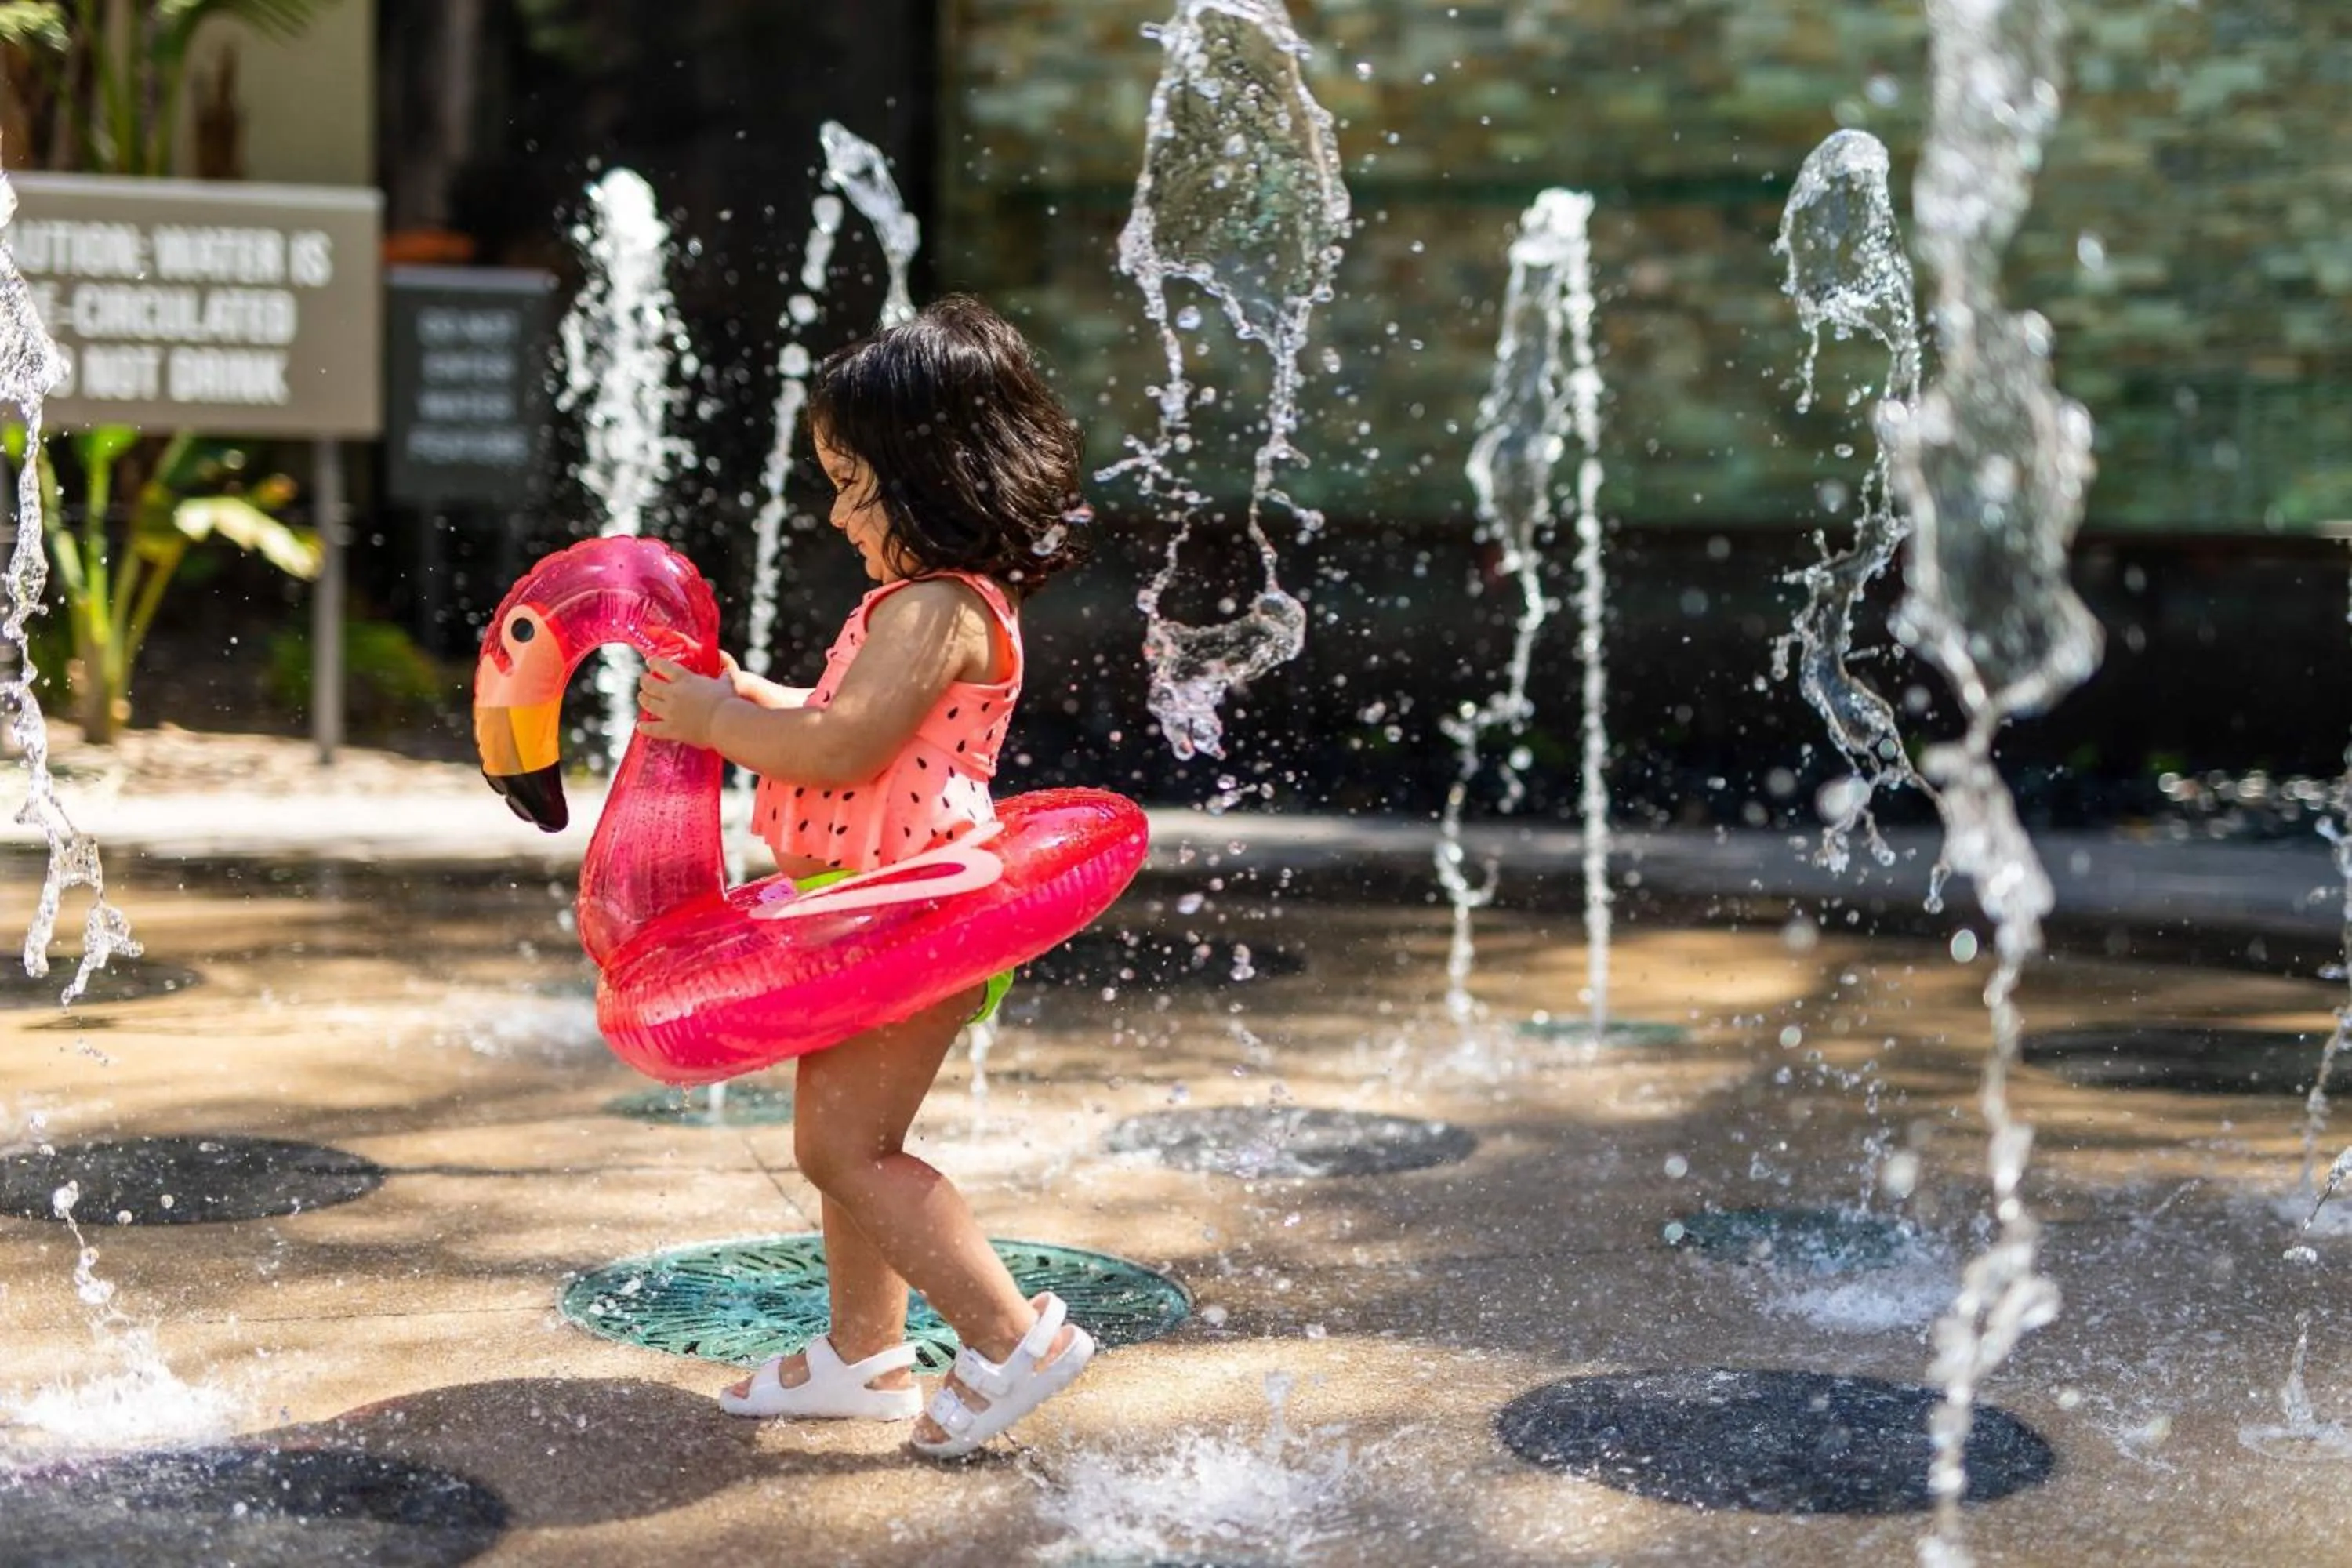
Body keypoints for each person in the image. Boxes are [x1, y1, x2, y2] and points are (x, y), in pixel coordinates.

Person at [635, 295, 1095, 1458]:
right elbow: (836, 715)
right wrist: (748, 699)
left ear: (936, 478)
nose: (838, 514)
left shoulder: (940, 606)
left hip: (913, 922)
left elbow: (846, 749)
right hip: (860, 922)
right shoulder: (914, 604)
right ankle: (863, 1353)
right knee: (839, 1133)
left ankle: (1012, 1337)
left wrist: (715, 720)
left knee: (843, 1149)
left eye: (853, 486)